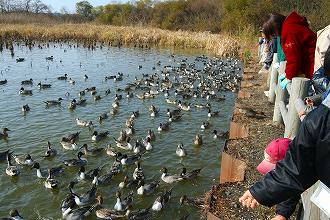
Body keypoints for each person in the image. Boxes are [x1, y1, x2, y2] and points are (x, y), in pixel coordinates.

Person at [239, 46, 330, 218]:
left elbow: (297, 167)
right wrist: (262, 193)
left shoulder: (319, 120)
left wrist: (261, 192)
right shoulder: (319, 120)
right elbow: (298, 168)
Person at [262, 12, 317, 90]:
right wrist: (288, 73)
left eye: (273, 34)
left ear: (275, 29)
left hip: (312, 64)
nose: (275, 36)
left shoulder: (289, 32)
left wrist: (289, 76)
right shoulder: (290, 25)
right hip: (311, 60)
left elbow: (293, 58)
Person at [256, 138, 301, 220]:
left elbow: (290, 190)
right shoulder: (295, 161)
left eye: (276, 169)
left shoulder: (300, 172)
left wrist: (281, 215)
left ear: (287, 164)